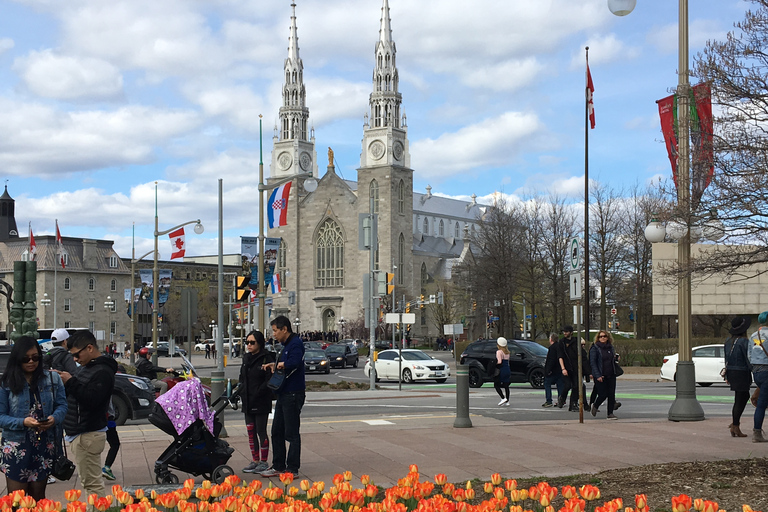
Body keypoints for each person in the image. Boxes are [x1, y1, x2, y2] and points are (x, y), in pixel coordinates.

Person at [0, 336, 68, 500]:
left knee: (38, 499)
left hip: (44, 444)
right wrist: (23, 422)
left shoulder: (52, 378)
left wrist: (53, 419)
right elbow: (1, 416)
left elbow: (62, 405)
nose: (31, 362)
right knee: (17, 500)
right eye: (25, 358)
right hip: (16, 446)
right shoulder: (6, 382)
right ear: (17, 359)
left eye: (35, 357)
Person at [58, 330, 117, 500]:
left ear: (89, 348)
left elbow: (92, 400)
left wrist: (70, 381)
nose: (75, 360)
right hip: (82, 433)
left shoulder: (102, 371)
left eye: (77, 355)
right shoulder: (91, 367)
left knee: (92, 484)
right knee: (89, 482)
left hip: (88, 434)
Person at [261, 315, 306, 478]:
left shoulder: (296, 343)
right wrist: (275, 364)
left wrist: (282, 364)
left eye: (275, 331)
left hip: (293, 393)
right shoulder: (286, 345)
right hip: (283, 393)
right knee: (276, 431)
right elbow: (287, 363)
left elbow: (295, 362)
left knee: (292, 433)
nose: (274, 334)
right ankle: (278, 465)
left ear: (284, 329)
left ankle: (292, 468)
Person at [239, 330, 275, 473]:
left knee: (261, 431)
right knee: (250, 431)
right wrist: (240, 390)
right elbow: (242, 377)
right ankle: (255, 460)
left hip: (260, 400)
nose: (249, 345)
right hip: (247, 400)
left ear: (259, 343)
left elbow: (268, 381)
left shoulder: (267, 358)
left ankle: (264, 461)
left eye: (252, 342)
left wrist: (259, 392)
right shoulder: (246, 358)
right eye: (247, 342)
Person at [722, 316, 752, 437]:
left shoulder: (728, 341)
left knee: (740, 397)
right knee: (742, 398)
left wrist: (727, 375)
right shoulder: (744, 342)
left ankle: (735, 424)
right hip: (742, 372)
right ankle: (735, 425)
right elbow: (748, 358)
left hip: (732, 372)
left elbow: (726, 359)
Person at [589, 330, 619, 420]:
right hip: (600, 375)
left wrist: (616, 358)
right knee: (603, 393)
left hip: (611, 373)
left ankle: (610, 413)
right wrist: (597, 375)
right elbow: (593, 362)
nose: (603, 338)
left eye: (604, 336)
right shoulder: (595, 348)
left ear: (608, 337)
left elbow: (612, 360)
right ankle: (595, 405)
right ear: (598, 338)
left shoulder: (610, 347)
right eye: (600, 336)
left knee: (611, 394)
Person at [749, 312, 768, 442]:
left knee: (762, 401)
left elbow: (749, 355)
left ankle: (757, 432)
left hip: (756, 371)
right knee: (762, 403)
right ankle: (757, 432)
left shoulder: (754, 335)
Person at [556, 326, 580, 411]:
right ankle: (562, 398)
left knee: (576, 386)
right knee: (567, 385)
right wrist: (563, 368)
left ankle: (573, 404)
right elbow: (560, 356)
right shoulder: (561, 342)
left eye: (566, 332)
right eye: (564, 332)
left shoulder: (576, 341)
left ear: (571, 332)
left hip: (575, 368)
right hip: (566, 367)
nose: (565, 333)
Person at [542, 333, 563, 407]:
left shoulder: (552, 348)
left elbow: (551, 360)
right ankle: (561, 400)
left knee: (547, 384)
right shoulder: (560, 347)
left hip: (552, 371)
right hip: (560, 370)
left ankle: (549, 400)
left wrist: (547, 370)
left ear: (551, 339)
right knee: (560, 385)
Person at [102, 399, 120, 480]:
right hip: (108, 419)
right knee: (115, 444)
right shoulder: (105, 388)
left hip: (98, 421)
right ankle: (107, 467)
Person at [494, 337, 511, 406]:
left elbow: (499, 361)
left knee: (496, 385)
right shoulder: (507, 352)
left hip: (501, 370)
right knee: (506, 386)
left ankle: (503, 398)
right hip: (507, 369)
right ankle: (507, 400)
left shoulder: (499, 352)